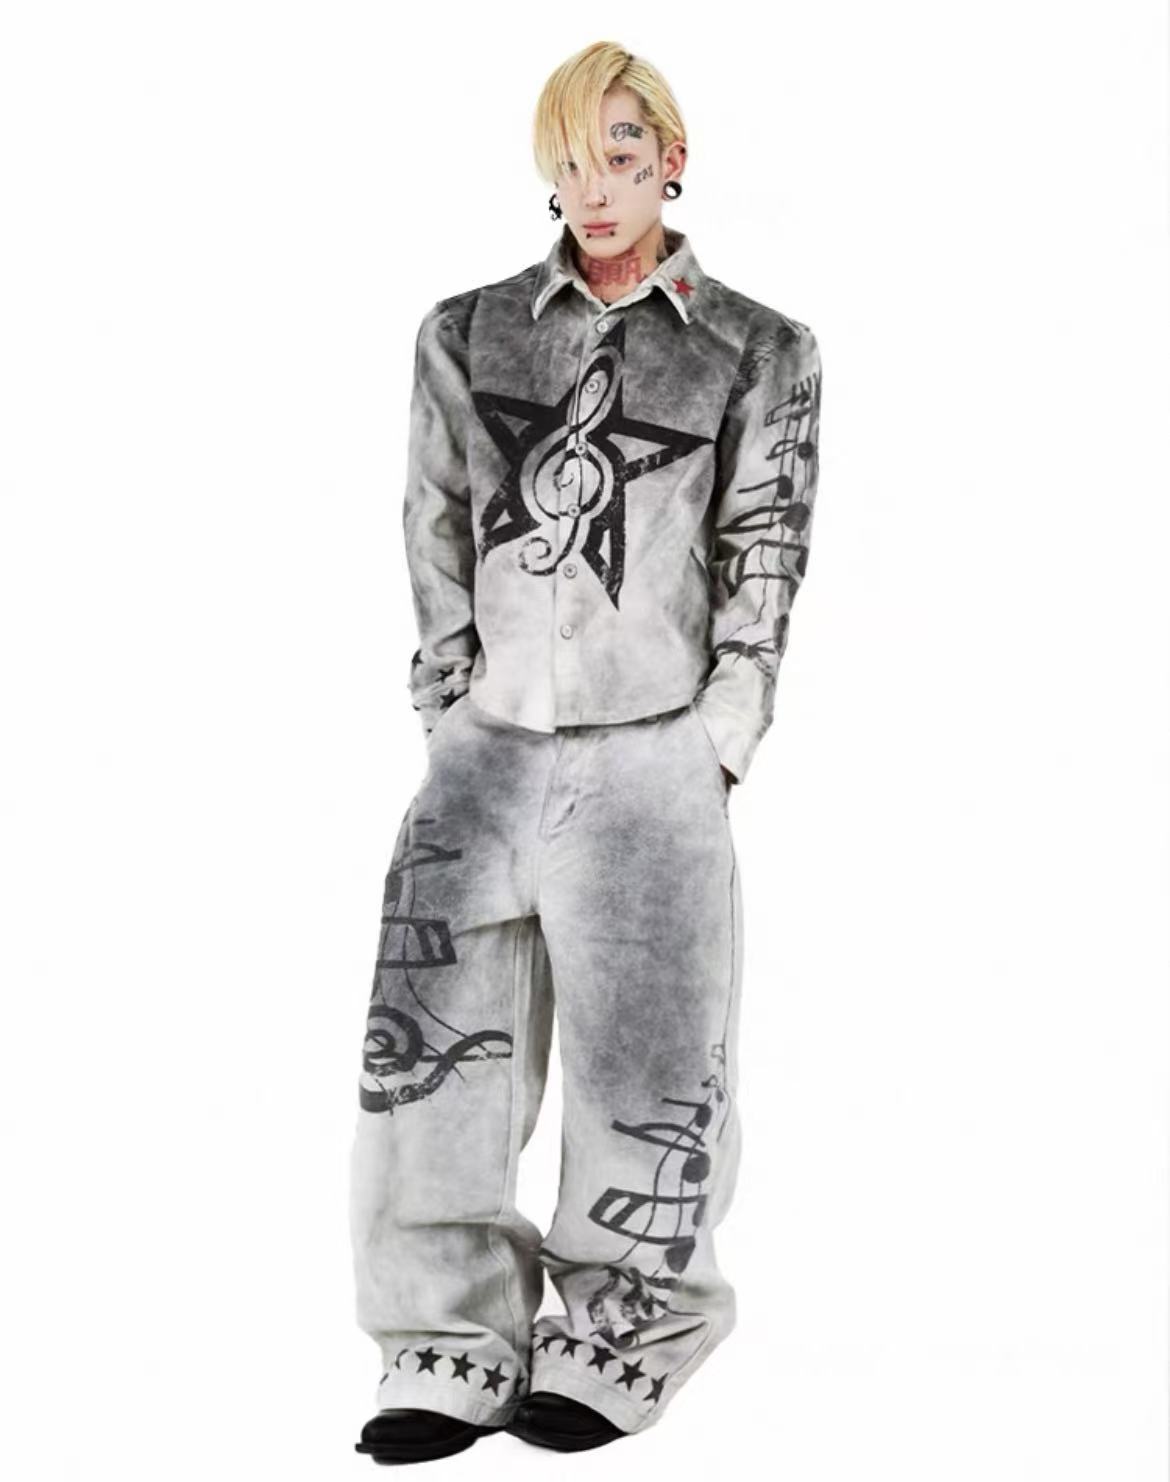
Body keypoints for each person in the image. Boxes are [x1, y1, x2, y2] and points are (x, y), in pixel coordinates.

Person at [349, 39, 824, 1464]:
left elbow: (763, 547)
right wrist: (449, 705)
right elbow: (435, 523)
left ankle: (620, 1332)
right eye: (570, 158)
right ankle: (444, 1338)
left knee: (649, 1066)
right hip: (483, 753)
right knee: (434, 1059)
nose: (596, 183)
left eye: (622, 152)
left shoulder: (759, 349)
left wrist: (718, 740)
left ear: (671, 159)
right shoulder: (467, 332)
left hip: (652, 756)